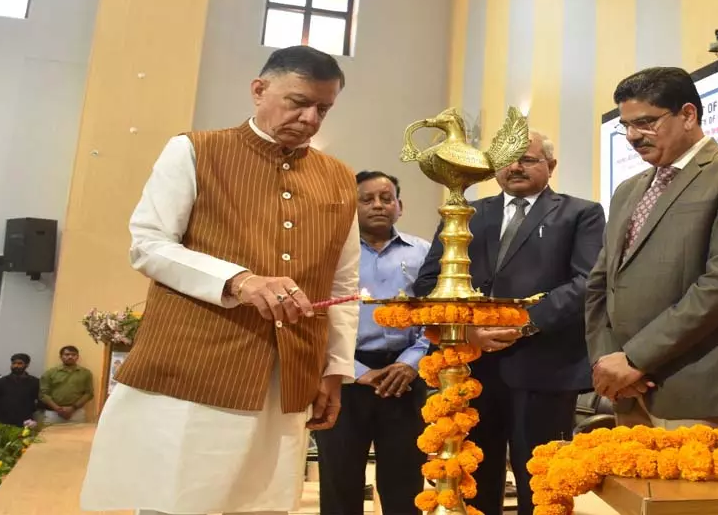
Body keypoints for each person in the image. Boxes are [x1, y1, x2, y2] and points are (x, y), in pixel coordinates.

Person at [80, 45, 360, 514]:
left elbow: (342, 281)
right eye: (298, 102)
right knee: (180, 498)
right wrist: (239, 281)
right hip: (196, 362)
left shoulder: (338, 177)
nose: (311, 119)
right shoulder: (194, 150)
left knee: (263, 502)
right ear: (258, 90)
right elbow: (148, 243)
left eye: (323, 109)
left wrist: (334, 370)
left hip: (287, 371)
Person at [415, 131, 605, 515]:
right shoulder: (467, 213)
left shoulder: (580, 213)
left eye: (529, 159)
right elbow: (428, 284)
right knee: (473, 478)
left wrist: (521, 324)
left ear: (550, 166)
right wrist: (468, 332)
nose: (516, 167)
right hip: (471, 369)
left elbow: (588, 282)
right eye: (507, 160)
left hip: (544, 366)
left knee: (539, 483)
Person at [585, 67, 718, 428]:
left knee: (696, 487)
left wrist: (637, 358)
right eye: (624, 126)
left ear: (688, 115)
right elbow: (600, 283)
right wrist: (607, 361)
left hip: (700, 386)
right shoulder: (628, 189)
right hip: (626, 389)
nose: (632, 136)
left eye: (645, 123)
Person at [315, 170, 430, 515]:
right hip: (343, 376)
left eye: (386, 198)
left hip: (406, 376)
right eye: (366, 199)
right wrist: (357, 369)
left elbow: (435, 316)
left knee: (405, 479)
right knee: (340, 478)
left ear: (400, 206)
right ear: (352, 206)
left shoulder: (424, 253)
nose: (378, 205)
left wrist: (410, 364)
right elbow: (317, 315)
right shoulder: (330, 254)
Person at [39, 345, 93, 423]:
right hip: (53, 413)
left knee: (77, 435)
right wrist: (57, 409)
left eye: (73, 355)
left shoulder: (86, 373)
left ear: (77, 357)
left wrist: (73, 408)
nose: (70, 357)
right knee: (50, 434)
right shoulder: (50, 373)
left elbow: (89, 393)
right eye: (67, 354)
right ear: (61, 357)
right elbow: (43, 394)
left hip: (76, 413)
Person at [0, 353, 41, 426]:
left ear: (27, 365)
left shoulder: (35, 382)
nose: (16, 366)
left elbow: (38, 400)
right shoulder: (1, 381)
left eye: (20, 363)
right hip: (2, 421)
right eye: (14, 363)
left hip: (25, 421)